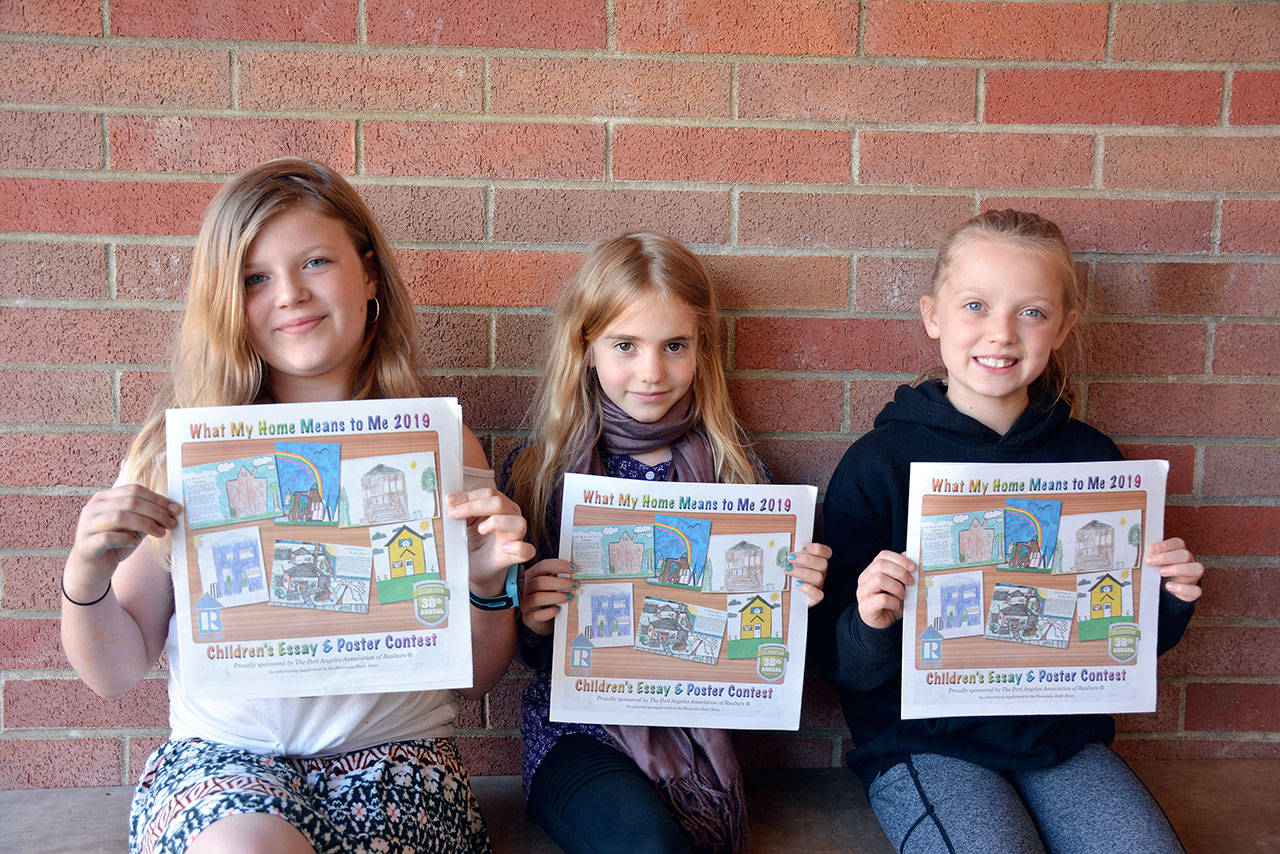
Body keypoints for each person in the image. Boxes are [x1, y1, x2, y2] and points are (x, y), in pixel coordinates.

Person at [59, 158, 535, 854]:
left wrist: (488, 584)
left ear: (369, 275)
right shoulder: (176, 447)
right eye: (255, 277)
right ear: (227, 299)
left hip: (399, 762)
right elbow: (115, 672)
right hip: (225, 762)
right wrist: (87, 576)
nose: (290, 295)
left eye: (315, 261)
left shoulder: (434, 442)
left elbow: (475, 674)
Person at [814, 209, 1204, 853]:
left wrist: (1169, 600)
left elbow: (1120, 644)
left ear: (1063, 327)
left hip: (1059, 739)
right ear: (932, 316)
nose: (1001, 333)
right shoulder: (879, 463)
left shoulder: (1092, 462)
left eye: (1031, 312)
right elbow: (840, 666)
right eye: (975, 305)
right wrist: (873, 620)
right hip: (923, 742)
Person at [501, 233, 832, 853]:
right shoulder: (538, 473)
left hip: (699, 730)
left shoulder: (738, 474)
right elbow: (516, 653)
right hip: (578, 735)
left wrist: (797, 601)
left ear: (700, 351)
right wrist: (532, 619)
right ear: (586, 347)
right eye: (625, 346)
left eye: (674, 346)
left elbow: (763, 651)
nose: (651, 372)